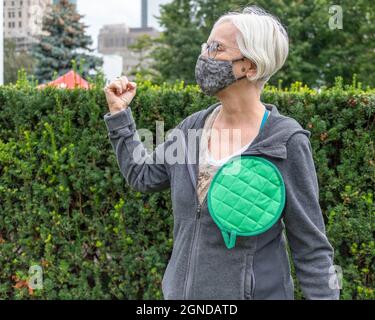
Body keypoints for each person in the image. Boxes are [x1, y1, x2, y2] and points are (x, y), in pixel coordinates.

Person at [103, 5, 340, 300]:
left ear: (250, 66)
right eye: (206, 46)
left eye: (216, 48)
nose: (204, 56)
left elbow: (312, 251)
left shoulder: (285, 141)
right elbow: (142, 175)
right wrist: (120, 115)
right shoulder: (192, 129)